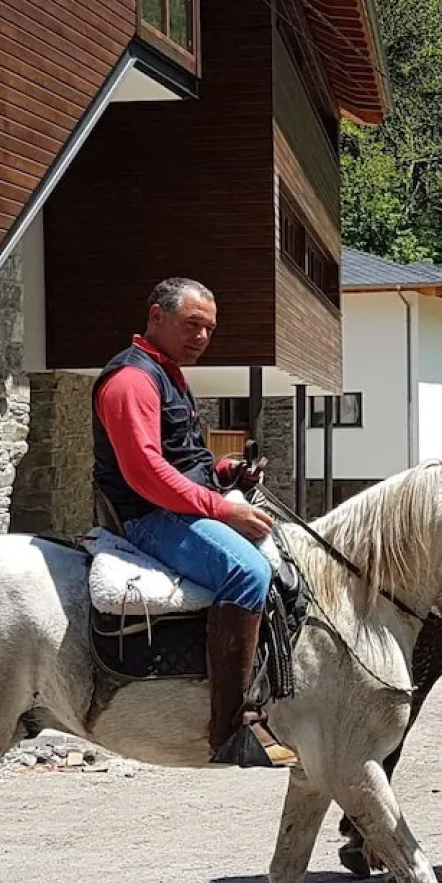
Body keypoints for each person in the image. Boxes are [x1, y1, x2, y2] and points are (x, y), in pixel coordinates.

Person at [92, 277, 293, 769]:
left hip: (174, 504)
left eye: (208, 328)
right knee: (248, 572)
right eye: (191, 325)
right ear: (155, 316)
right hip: (147, 516)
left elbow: (182, 459)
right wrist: (225, 508)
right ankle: (229, 727)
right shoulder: (131, 380)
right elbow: (145, 473)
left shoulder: (169, 373)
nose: (201, 337)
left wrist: (226, 473)